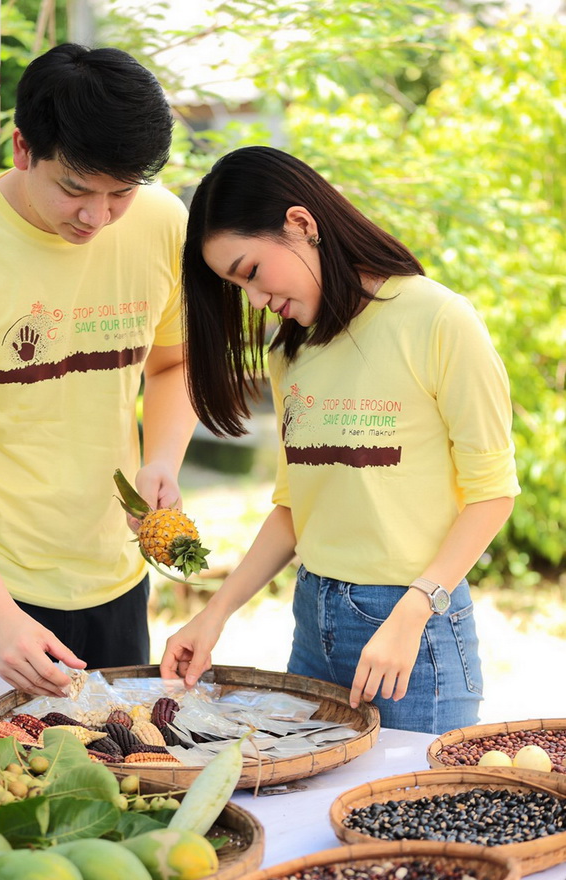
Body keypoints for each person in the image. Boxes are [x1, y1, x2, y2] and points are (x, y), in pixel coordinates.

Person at [160, 145, 519, 735]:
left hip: (413, 626)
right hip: (313, 616)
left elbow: (493, 493)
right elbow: (296, 506)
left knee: (414, 815)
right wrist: (214, 615)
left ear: (301, 224)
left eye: (251, 272)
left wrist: (410, 615)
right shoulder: (290, 352)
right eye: (235, 286)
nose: (253, 300)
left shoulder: (437, 320)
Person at [0, 43, 195, 708]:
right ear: (22, 149)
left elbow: (174, 361)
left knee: (113, 798)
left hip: (110, 582)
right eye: (75, 190)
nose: (97, 218)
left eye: (119, 195)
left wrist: (162, 457)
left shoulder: (164, 222)